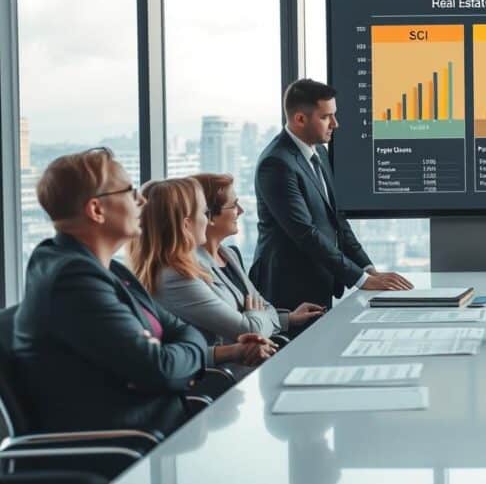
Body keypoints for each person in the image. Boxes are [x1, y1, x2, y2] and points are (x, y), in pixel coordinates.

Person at [12, 148, 205, 434]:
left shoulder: (113, 270)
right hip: (128, 452)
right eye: (130, 192)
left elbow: (184, 331)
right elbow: (159, 370)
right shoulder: (72, 280)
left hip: (162, 434)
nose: (141, 200)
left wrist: (174, 354)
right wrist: (178, 358)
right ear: (96, 210)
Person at [250, 78, 413, 310]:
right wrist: (362, 280)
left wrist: (368, 269)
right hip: (286, 288)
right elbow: (305, 233)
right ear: (300, 119)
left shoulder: (320, 153)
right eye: (326, 116)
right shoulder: (276, 163)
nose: (335, 123)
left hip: (319, 280)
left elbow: (337, 220)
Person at [128, 178, 278, 374]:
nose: (207, 220)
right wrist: (254, 318)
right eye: (204, 213)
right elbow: (250, 330)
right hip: (224, 384)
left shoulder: (188, 266)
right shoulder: (175, 276)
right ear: (186, 225)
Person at [191, 173, 325, 335]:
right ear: (209, 215)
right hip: (237, 357)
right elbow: (250, 329)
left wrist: (288, 318)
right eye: (233, 205)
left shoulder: (229, 255)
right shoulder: (193, 266)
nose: (240, 211)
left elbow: (262, 305)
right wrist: (255, 316)